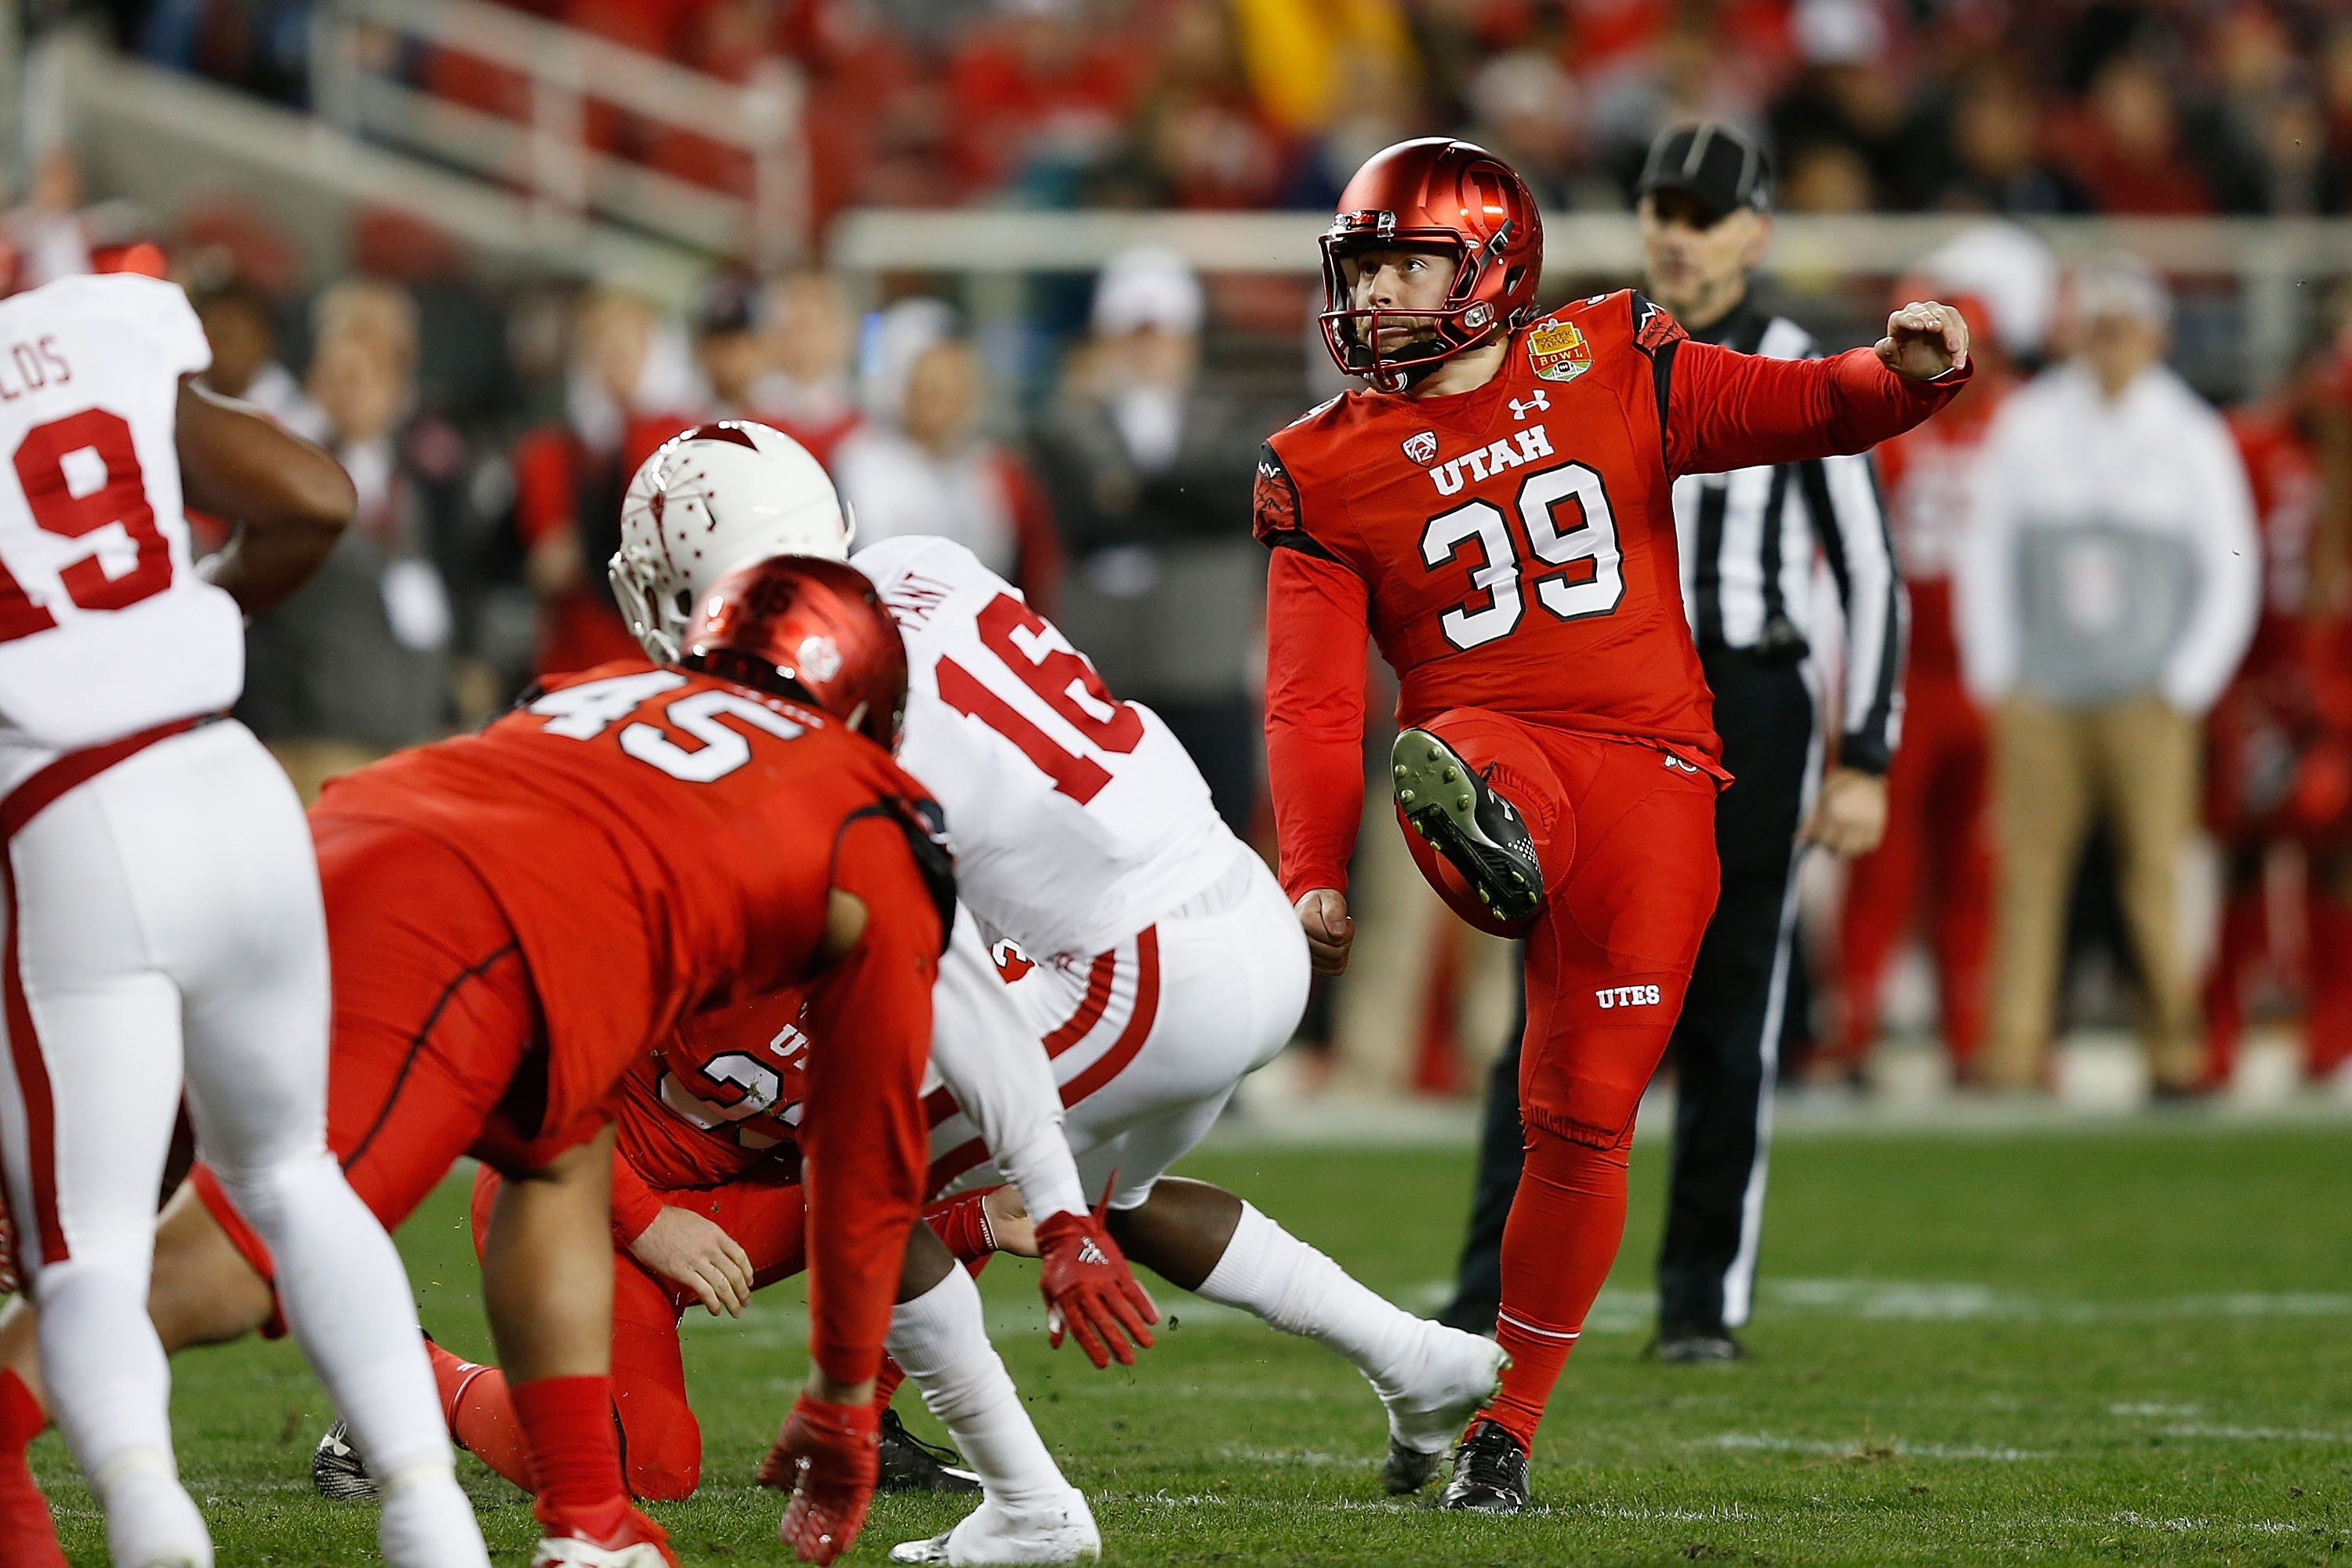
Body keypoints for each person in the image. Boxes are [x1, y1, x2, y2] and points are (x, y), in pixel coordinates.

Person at [608, 422, 1510, 1556]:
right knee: (1119, 1200)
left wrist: (1049, 1205)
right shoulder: (921, 560)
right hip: (1235, 907)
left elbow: (957, 977)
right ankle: (1416, 1361)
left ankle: (1030, 1509)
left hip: (1142, 974)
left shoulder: (832, 725)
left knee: (862, 1181)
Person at [0, 535, 958, 1568]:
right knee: (252, 1248)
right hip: (454, 922)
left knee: (558, 1150)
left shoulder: (619, 687)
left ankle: (587, 1520)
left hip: (338, 834)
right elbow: (868, 1157)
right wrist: (846, 1404)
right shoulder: (871, 820)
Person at [1259, 136, 1970, 1514]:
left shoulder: (1613, 357)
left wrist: (1916, 375)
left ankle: (1504, 1429)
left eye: (1412, 264)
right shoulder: (1320, 468)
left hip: (1658, 779)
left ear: (1493, 266)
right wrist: (1308, 868)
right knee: (1456, 749)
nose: (1382, 296)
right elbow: (1307, 701)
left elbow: (1812, 406)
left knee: (1579, 1123)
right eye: (1369, 268)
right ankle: (1491, 830)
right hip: (1493, 745)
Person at [0, 271, 488, 1568]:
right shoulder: (88, 332)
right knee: (291, 1174)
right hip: (232, 778)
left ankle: (156, 1525)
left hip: (69, 814)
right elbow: (316, 496)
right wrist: (197, 604)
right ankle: (430, 1512)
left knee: (90, 1254)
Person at [1436, 122, 1911, 1365]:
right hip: (1596, 716)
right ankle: (1487, 1284)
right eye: (1661, 210)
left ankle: (1702, 1298)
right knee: (1546, 1006)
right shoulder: (1585, 349)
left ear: (1756, 230)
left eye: (1702, 215)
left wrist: (1867, 751)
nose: (1677, 235)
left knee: (1732, 1006)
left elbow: (1868, 568)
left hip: (1747, 702)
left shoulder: (1799, 356)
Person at [1958, 252, 2261, 1094]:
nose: (2112, 342)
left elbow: (2233, 565)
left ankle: (2175, 1048)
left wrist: (2186, 682)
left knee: (2155, 876)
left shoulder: (2191, 432)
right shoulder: (2030, 422)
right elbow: (1987, 549)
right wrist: (1999, 673)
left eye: (2125, 326)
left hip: (2145, 694)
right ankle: (2013, 1050)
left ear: (2155, 333)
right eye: (2099, 325)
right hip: (2045, 693)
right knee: (2027, 875)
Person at [1833, 224, 2060, 1082]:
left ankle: (1973, 1035)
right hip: (1906, 669)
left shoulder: (2028, 429)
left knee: (1978, 864)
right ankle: (1854, 1029)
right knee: (1884, 863)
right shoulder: (1891, 424)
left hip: (1993, 672)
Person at [1034, 247, 1269, 831]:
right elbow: (1086, 522)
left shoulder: (1234, 420)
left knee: (1224, 838)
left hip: (1207, 682)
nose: (1149, 349)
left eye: (1162, 333)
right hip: (1104, 686)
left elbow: (1243, 497)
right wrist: (1195, 504)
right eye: (1135, 334)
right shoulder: (1065, 424)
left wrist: (1133, 494)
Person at [238, 278, 463, 800]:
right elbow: (259, 607)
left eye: (370, 379)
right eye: (342, 377)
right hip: (316, 740)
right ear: (317, 381)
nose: (355, 393)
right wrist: (269, 723)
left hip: (407, 739)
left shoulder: (405, 482)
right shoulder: (289, 475)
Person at [2202, 350, 2352, 1087]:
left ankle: (2331, 1033)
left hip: (2339, 696)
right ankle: (2221, 1030)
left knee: (2332, 861)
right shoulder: (2254, 450)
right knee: (2244, 856)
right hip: (2259, 689)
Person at [832, 299, 1062, 610]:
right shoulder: (854, 467)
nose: (950, 406)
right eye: (932, 390)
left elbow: (1030, 582)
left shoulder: (999, 472)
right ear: (899, 387)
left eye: (959, 388)